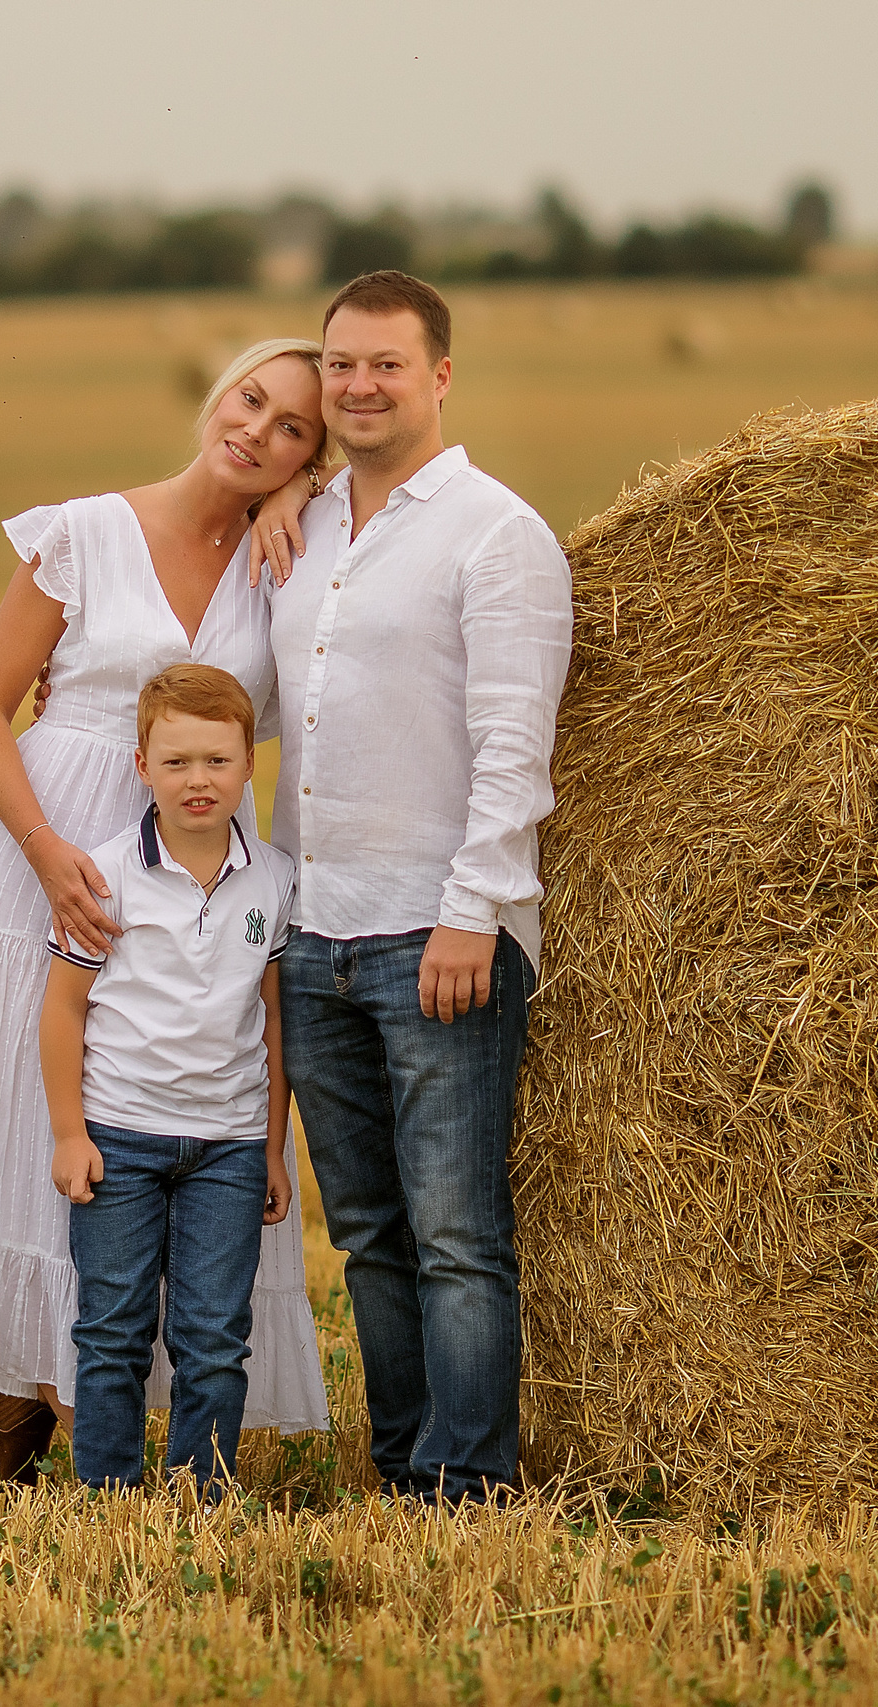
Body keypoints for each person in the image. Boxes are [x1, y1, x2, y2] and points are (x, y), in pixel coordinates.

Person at [0, 341, 334, 1483]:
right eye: (251, 400)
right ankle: (18, 1392)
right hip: (40, 848)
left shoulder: (298, 554)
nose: (257, 432)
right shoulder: (82, 532)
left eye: (294, 432)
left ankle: (138, 1408)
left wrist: (308, 500)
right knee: (44, 1122)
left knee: (173, 1089)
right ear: (218, 391)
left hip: (204, 871)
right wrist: (46, 852)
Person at [252, 272, 573, 1501]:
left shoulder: (496, 534)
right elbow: (277, 707)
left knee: (455, 1239)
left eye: (386, 365)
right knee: (372, 1238)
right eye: (340, 366)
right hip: (314, 931)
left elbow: (512, 745)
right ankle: (401, 1472)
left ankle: (467, 1484)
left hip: (432, 934)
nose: (358, 387)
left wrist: (472, 912)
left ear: (439, 376)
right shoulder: (311, 525)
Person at [42, 664, 298, 1493]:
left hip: (227, 1145)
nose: (199, 780)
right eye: (178, 761)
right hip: (119, 1137)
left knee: (215, 1334)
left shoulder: (274, 880)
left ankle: (202, 1494)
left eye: (218, 761)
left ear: (248, 766)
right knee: (113, 1328)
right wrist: (70, 1133)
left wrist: (271, 1148)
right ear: (142, 764)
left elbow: (275, 1021)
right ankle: (107, 1497)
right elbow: (64, 1011)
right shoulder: (105, 875)